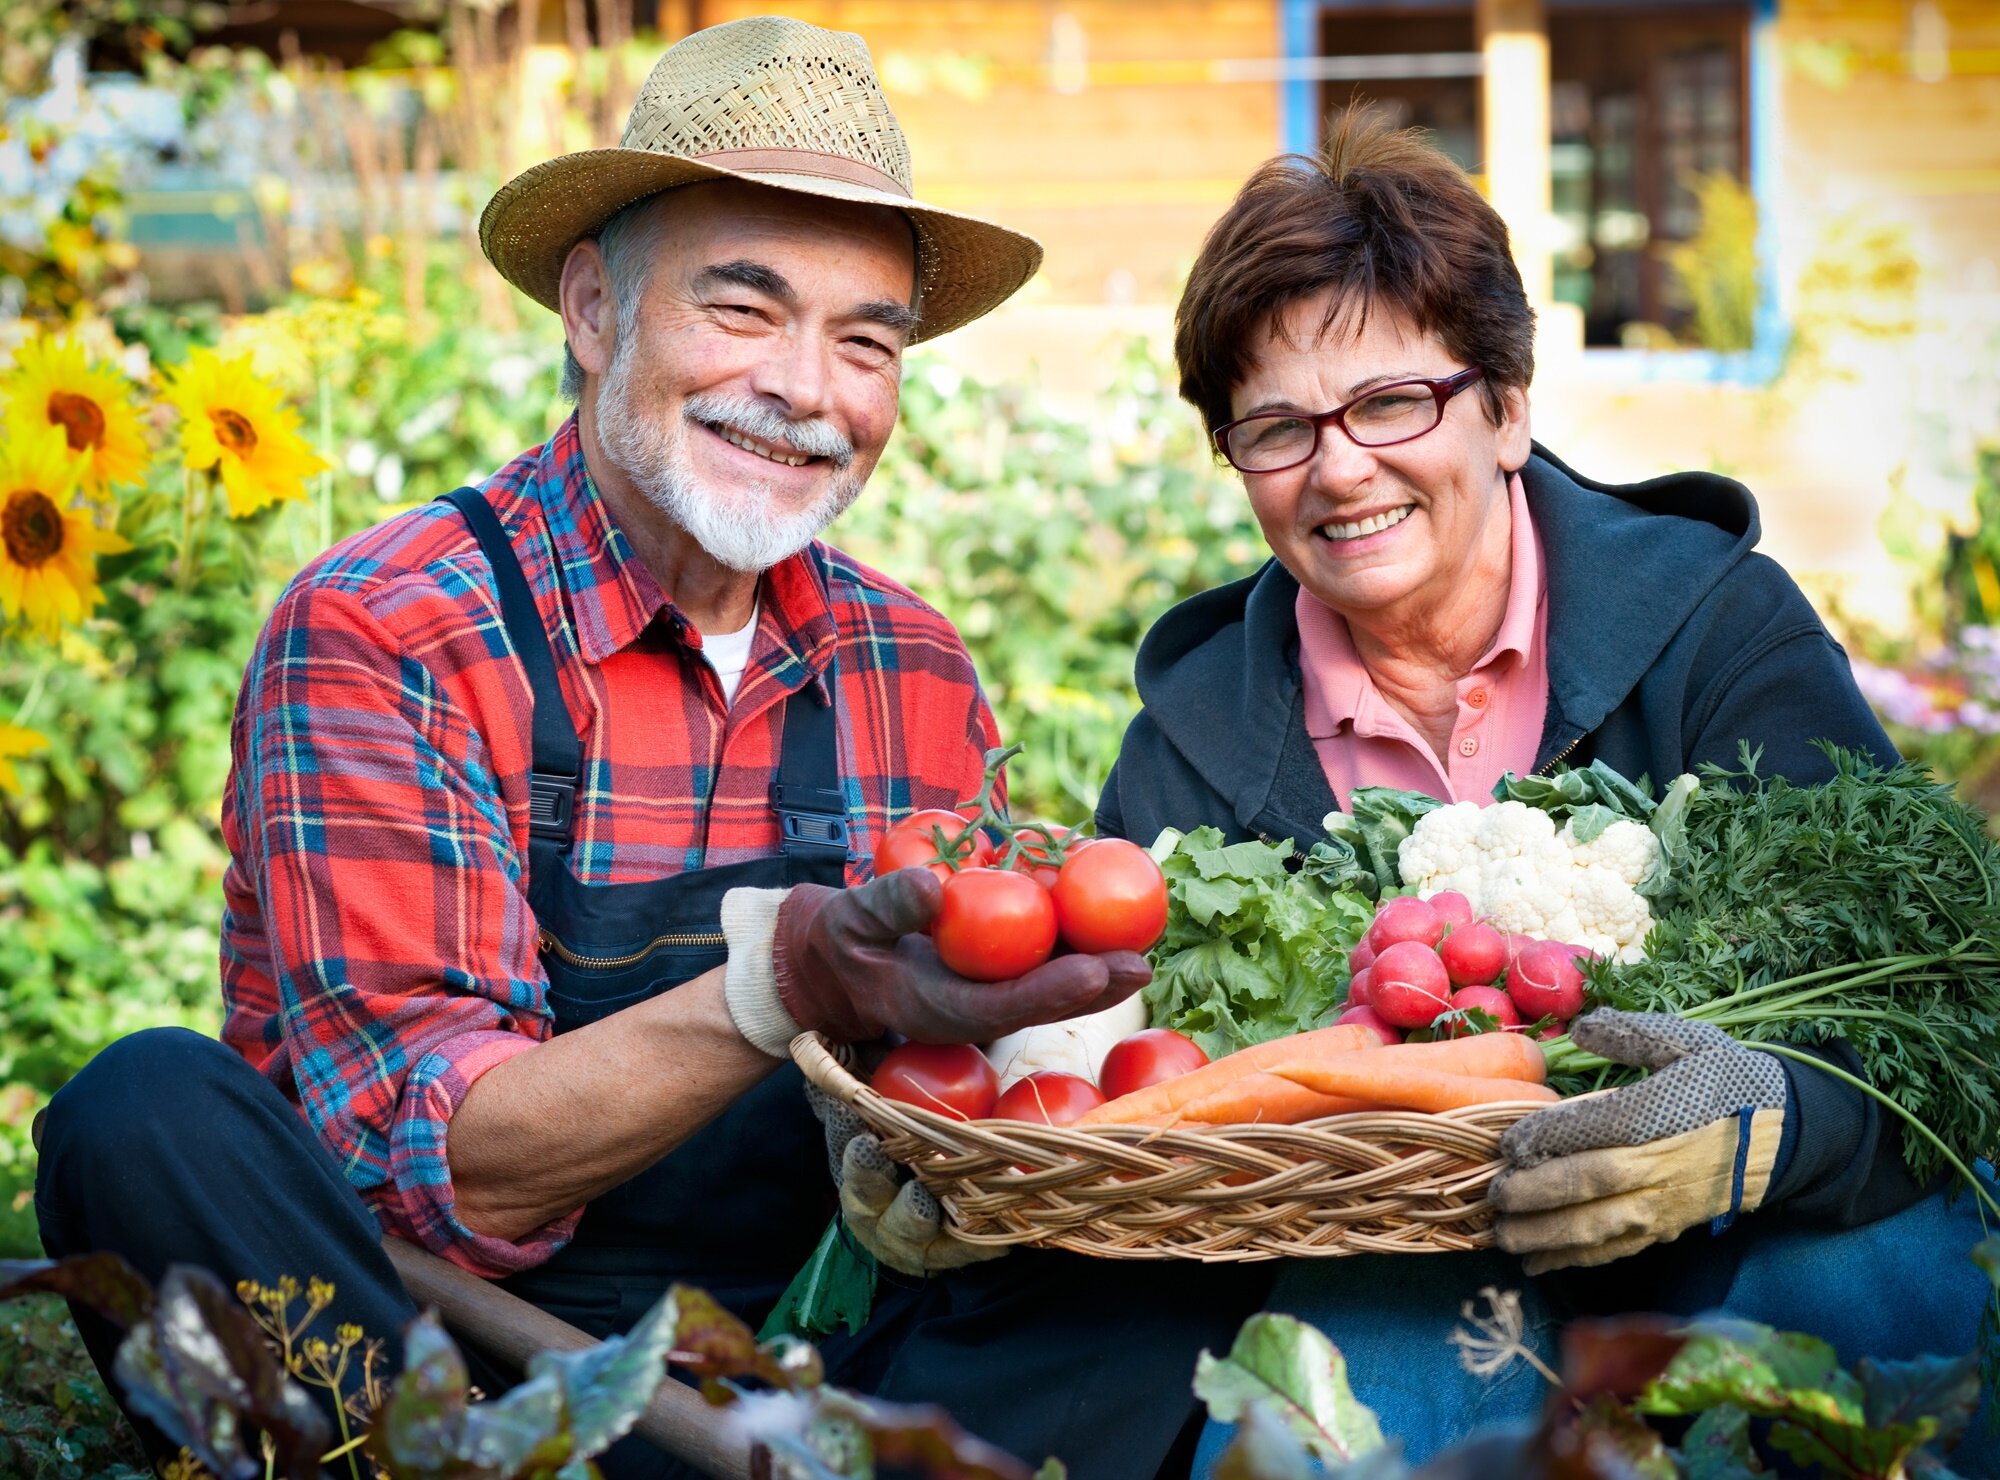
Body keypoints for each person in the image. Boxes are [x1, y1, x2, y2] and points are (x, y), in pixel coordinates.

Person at [34, 18, 1164, 1478]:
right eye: (746, 310)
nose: (811, 391)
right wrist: (784, 982)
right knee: (142, 1119)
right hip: (460, 1364)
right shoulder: (393, 630)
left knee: (1146, 1310)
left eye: (866, 342)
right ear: (589, 308)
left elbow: (966, 1111)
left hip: (813, 1352)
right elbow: (433, 1170)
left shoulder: (910, 665)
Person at [1086, 111, 1997, 1467]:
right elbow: (1119, 1083)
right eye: (1275, 431)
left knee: (1904, 1314)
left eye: (1392, 403)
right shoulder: (1192, 742)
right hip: (1406, 1281)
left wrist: (1762, 1127)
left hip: (1746, 1238)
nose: (1337, 467)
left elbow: (1935, 1003)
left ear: (1506, 408)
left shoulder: (1718, 628)